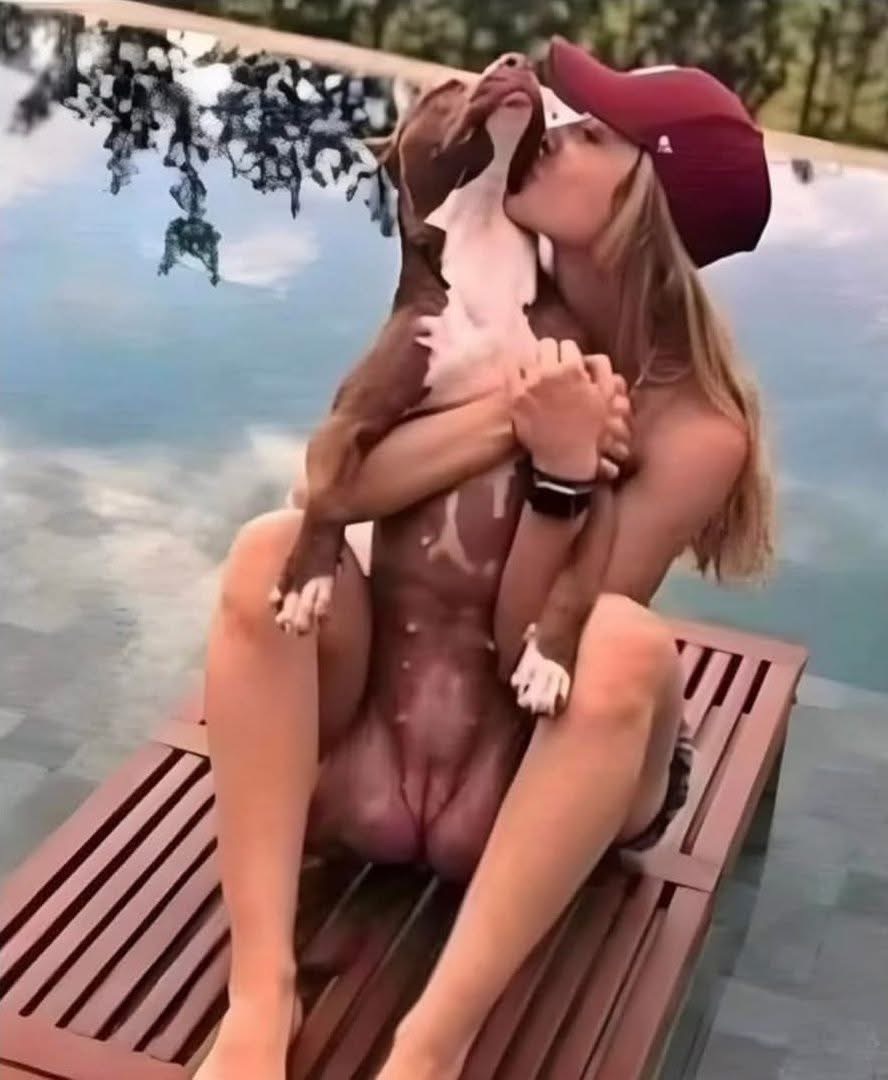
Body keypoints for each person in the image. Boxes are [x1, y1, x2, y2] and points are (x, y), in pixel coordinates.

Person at [195, 36, 774, 1080]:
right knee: (269, 550)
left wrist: (563, 477)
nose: (554, 134)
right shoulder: (489, 287)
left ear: (646, 208)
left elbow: (535, 651)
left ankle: (431, 1045)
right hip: (398, 723)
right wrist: (518, 415)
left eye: (592, 136)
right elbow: (337, 491)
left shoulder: (698, 429)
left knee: (626, 645)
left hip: (543, 754)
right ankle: (260, 989)